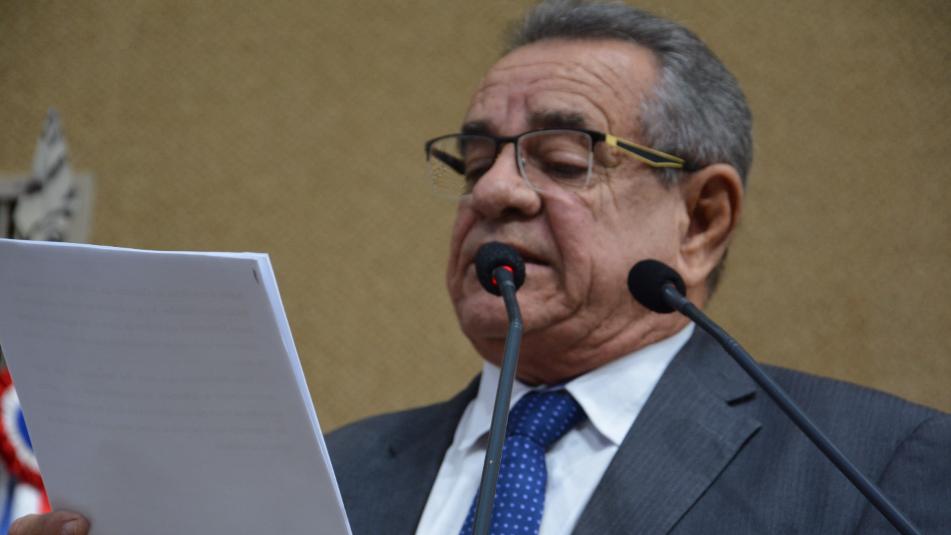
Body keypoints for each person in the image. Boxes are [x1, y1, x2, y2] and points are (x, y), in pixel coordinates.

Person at [11, 1, 950, 534]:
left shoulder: (876, 466)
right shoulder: (328, 476)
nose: (494, 191)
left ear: (700, 219)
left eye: (562, 158)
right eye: (473, 161)